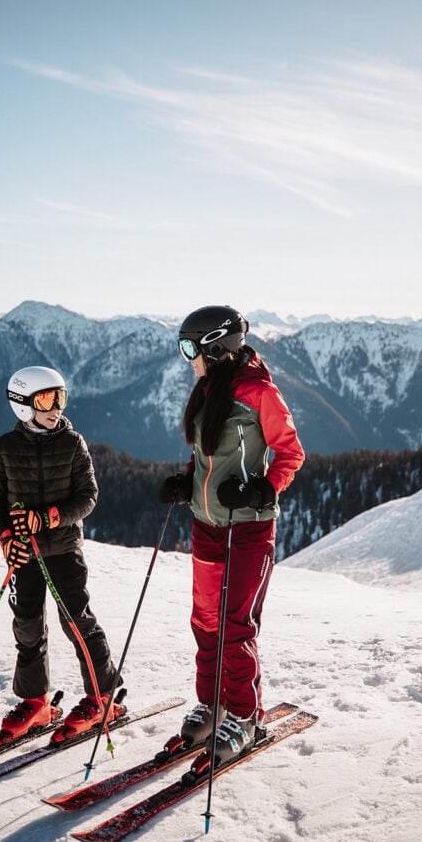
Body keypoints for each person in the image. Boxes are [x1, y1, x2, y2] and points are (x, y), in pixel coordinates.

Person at [159, 305, 304, 763]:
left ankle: (245, 715)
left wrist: (262, 489)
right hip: (205, 526)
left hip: (248, 530)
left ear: (215, 347)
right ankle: (213, 702)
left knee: (235, 626)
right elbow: (207, 455)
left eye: (190, 348)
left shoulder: (260, 393)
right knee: (205, 620)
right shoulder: (209, 389)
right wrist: (187, 480)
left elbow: (291, 453)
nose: (187, 358)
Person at [0, 365, 121, 747]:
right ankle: (35, 701)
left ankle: (102, 696)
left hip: (62, 550)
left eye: (60, 397)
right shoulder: (5, 448)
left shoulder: (73, 443)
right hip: (24, 553)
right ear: (23, 405)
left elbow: (88, 497)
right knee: (27, 625)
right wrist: (5, 537)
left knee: (77, 621)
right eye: (46, 399)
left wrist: (50, 518)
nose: (56, 407)